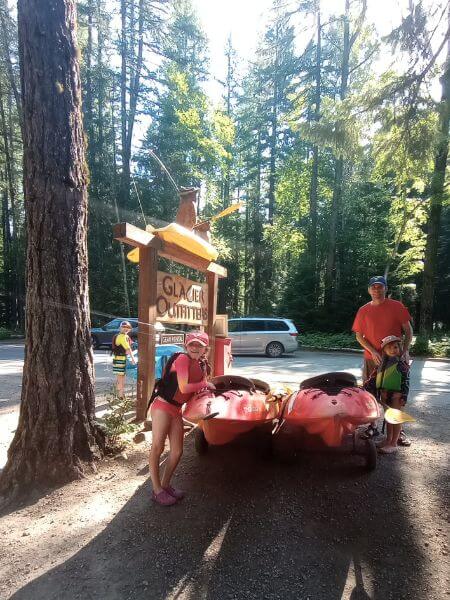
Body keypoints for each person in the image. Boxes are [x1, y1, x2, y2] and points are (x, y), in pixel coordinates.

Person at [149, 331, 215, 506]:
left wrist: (205, 391)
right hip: (163, 406)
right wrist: (204, 384)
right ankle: (156, 490)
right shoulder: (183, 359)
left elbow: (195, 391)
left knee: (177, 451)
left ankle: (165, 485)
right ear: (186, 346)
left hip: (176, 410)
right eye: (192, 344)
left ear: (205, 349)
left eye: (199, 345)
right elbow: (184, 387)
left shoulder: (201, 364)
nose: (195, 348)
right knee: (158, 447)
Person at [352, 275, 413, 444]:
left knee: (395, 397)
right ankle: (373, 426)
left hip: (394, 359)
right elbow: (359, 336)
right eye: (374, 287)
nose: (377, 290)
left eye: (380, 287)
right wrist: (372, 351)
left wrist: (404, 351)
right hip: (372, 359)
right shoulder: (363, 310)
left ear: (386, 289)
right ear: (369, 290)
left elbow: (408, 330)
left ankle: (398, 432)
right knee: (371, 393)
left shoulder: (396, 306)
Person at [364, 335, 410, 454]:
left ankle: (393, 443)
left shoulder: (401, 365)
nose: (393, 349)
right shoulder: (381, 364)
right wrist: (365, 387)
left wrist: (404, 396)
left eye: (395, 347)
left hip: (396, 396)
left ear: (399, 348)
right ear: (384, 350)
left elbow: (406, 382)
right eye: (389, 348)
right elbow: (373, 378)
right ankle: (388, 440)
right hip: (385, 395)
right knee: (389, 418)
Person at [112, 320, 136, 398]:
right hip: (119, 359)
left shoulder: (125, 336)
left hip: (122, 358)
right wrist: (133, 359)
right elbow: (128, 349)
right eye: (124, 327)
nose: (126, 329)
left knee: (122, 378)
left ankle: (121, 395)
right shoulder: (121, 336)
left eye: (128, 327)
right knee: (120, 378)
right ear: (120, 328)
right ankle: (120, 396)